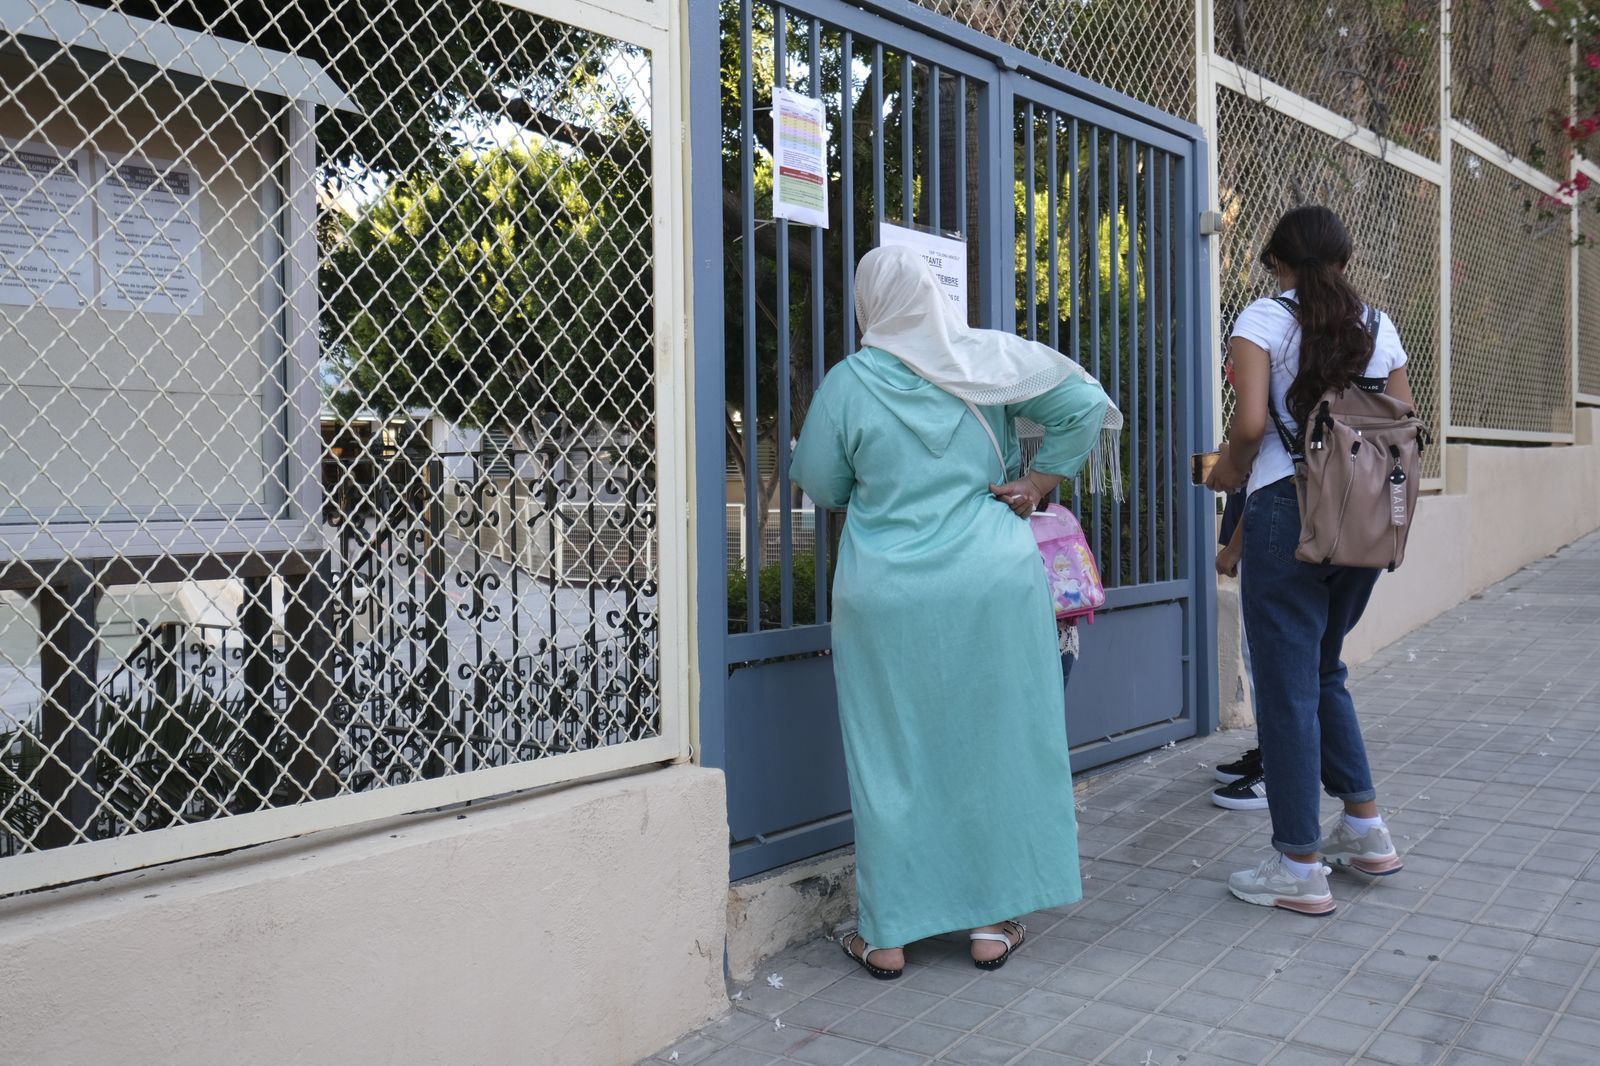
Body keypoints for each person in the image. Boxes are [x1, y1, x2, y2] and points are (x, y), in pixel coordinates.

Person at [790, 245, 1118, 977]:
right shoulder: (982, 364)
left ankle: (887, 936)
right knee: (991, 746)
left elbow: (823, 483)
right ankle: (990, 926)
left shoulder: (848, 384)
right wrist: (1038, 481)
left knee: (891, 756)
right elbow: (1084, 404)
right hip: (991, 584)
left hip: (888, 595)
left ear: (870, 304)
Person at [1204, 205, 1407, 915]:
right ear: (1345, 261)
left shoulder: (1263, 319)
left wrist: (1226, 472)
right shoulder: (1379, 326)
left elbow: (1251, 424)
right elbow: (1403, 425)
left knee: (1286, 687)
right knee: (1323, 670)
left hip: (1285, 511)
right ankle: (1366, 830)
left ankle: (1297, 863)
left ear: (1277, 263)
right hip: (1363, 520)